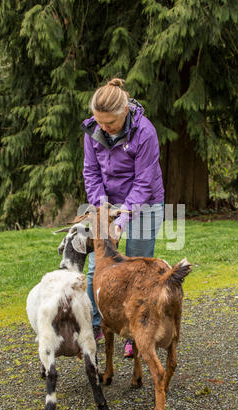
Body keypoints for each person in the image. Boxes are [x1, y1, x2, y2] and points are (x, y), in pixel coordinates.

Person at [81, 78, 164, 358]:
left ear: (125, 111)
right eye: (99, 121)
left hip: (145, 202)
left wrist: (121, 221)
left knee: (135, 272)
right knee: (96, 268)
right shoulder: (93, 130)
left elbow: (144, 183)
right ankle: (96, 325)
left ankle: (136, 329)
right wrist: (103, 212)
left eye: (110, 124)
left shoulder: (145, 132)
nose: (104, 128)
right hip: (108, 203)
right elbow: (91, 174)